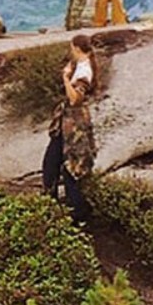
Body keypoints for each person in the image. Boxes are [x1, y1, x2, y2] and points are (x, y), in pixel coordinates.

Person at [42, 34, 98, 223]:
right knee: (51, 163)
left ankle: (77, 212)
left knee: (70, 167)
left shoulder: (85, 71)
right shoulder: (80, 66)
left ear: (76, 48)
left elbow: (75, 99)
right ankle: (51, 206)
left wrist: (65, 78)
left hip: (74, 124)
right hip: (66, 123)